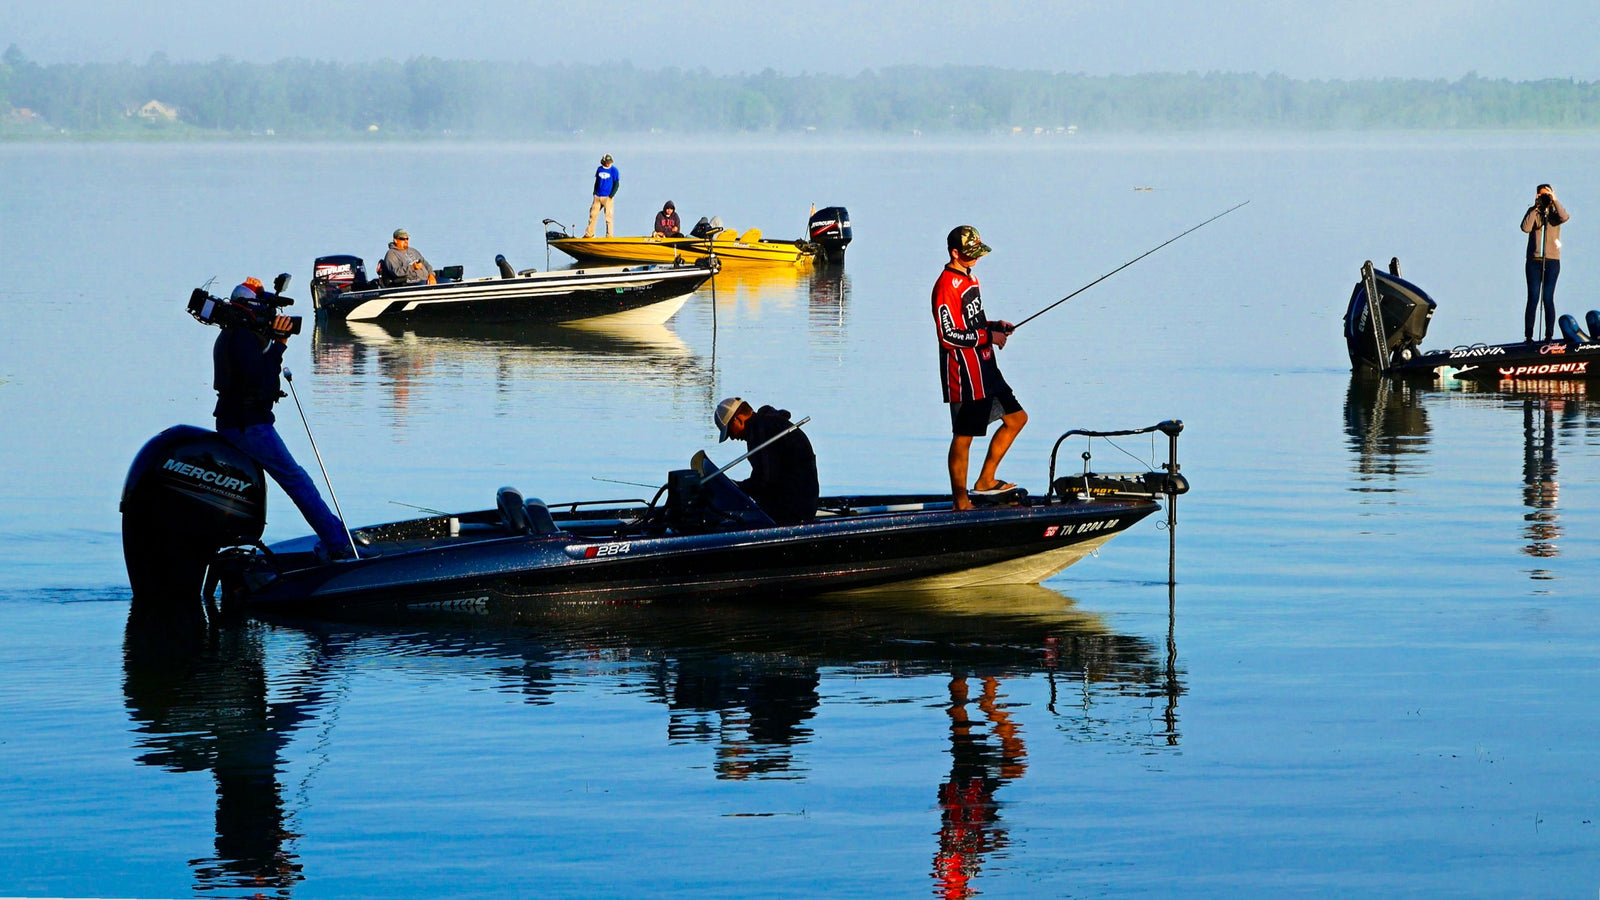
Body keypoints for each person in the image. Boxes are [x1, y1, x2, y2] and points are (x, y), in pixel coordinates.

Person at [213, 280, 353, 560]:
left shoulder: (234, 334)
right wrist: (278, 344)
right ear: (251, 305)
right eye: (262, 304)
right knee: (297, 480)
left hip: (241, 422)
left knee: (297, 479)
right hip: (249, 425)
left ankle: (336, 535)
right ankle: (338, 545)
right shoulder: (241, 337)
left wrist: (273, 342)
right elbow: (259, 379)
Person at [933, 225, 1027, 511]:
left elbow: (971, 323)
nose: (976, 259)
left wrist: (994, 326)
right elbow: (948, 335)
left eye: (977, 253)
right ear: (954, 253)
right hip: (964, 374)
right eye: (970, 254)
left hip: (986, 367)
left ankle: (986, 480)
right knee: (964, 436)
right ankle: (960, 500)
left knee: (1017, 419)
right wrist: (988, 337)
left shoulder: (971, 279)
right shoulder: (945, 286)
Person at [713, 397, 819, 525]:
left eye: (730, 432)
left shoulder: (760, 430)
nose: (733, 437)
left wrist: (737, 489)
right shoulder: (770, 424)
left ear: (737, 419)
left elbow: (764, 479)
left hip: (791, 511)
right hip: (805, 502)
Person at [1521, 184, 1570, 342]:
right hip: (1534, 261)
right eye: (1541, 195)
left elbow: (1565, 217)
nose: (1544, 197)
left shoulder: (1554, 214)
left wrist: (1554, 200)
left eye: (1546, 195)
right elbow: (1525, 228)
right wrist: (1535, 208)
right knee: (1533, 297)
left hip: (1552, 261)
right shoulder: (1535, 212)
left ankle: (1549, 335)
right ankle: (1529, 336)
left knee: (1548, 298)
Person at [583, 153, 620, 238]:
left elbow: (616, 184)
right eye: (607, 162)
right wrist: (594, 192)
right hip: (597, 196)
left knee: (608, 217)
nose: (608, 164)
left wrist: (611, 195)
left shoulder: (614, 170)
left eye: (609, 162)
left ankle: (609, 236)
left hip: (608, 197)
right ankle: (589, 234)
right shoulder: (599, 170)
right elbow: (597, 182)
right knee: (593, 215)